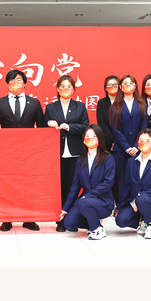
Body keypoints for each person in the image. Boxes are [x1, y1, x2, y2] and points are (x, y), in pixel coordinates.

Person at [0, 69, 45, 231]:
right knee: (7, 186)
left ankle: (29, 219)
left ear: (25, 84)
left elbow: (42, 129)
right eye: (12, 81)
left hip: (29, 153)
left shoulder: (34, 103)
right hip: (6, 153)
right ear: (7, 85)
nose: (15, 83)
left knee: (28, 185)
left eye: (19, 80)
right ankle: (7, 219)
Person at [45, 74, 90, 232]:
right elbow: (43, 125)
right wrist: (49, 123)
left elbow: (85, 126)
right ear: (58, 89)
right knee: (60, 186)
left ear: (73, 89)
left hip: (74, 152)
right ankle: (60, 219)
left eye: (69, 86)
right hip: (56, 152)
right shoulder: (51, 107)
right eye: (62, 86)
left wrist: (69, 127)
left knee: (73, 186)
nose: (65, 89)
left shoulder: (80, 106)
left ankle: (72, 218)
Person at [59, 124, 115, 240]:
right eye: (87, 136)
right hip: (85, 202)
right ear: (84, 139)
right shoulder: (80, 160)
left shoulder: (108, 158)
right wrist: (65, 208)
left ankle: (97, 229)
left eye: (94, 136)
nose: (90, 138)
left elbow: (108, 183)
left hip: (103, 201)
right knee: (68, 223)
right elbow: (75, 187)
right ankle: (94, 222)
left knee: (82, 202)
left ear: (99, 139)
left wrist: (88, 196)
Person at [115, 128, 151, 239]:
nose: (144, 143)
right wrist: (120, 206)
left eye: (148, 141)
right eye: (141, 140)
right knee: (121, 220)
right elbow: (127, 185)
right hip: (134, 202)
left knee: (141, 199)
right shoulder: (131, 161)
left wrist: (140, 197)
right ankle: (143, 220)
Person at [110, 74, 147, 205]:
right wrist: (127, 147)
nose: (128, 86)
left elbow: (144, 126)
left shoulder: (141, 104)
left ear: (135, 86)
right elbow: (115, 128)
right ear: (120, 87)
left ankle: (137, 206)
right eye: (125, 84)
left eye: (131, 83)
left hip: (139, 149)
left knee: (137, 178)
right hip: (121, 150)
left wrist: (136, 146)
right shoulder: (116, 105)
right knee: (121, 179)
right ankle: (122, 206)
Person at [95, 75, 119, 152]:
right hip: (107, 142)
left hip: (123, 142)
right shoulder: (101, 103)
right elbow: (101, 123)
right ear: (105, 88)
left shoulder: (124, 102)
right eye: (110, 85)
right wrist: (112, 141)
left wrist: (119, 142)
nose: (113, 87)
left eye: (115, 84)